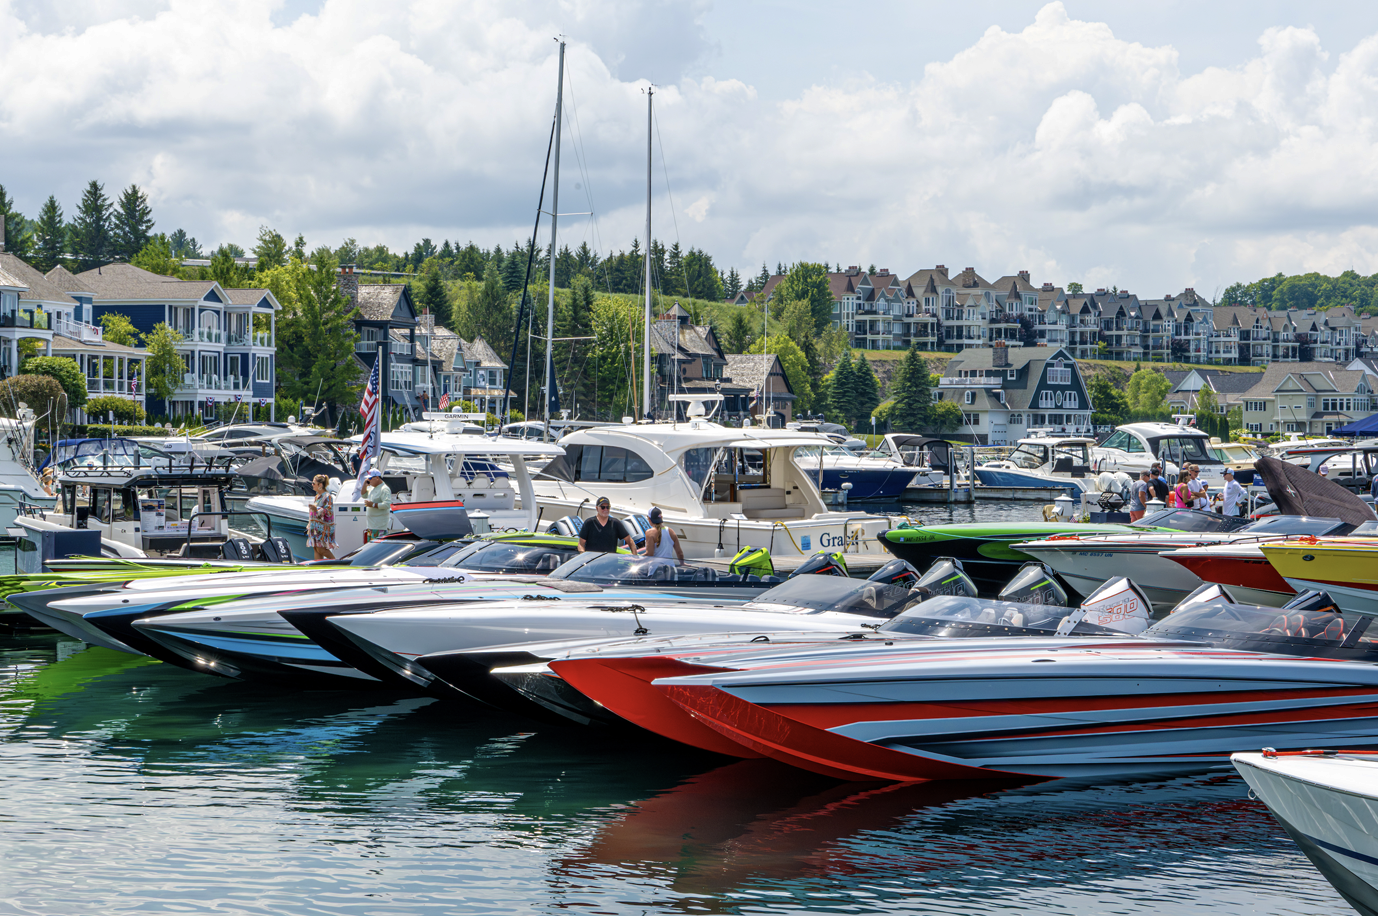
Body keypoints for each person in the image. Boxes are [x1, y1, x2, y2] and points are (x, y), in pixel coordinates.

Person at [306, 474, 337, 560]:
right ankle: (318, 569)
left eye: (313, 483)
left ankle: (336, 563)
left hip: (323, 528)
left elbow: (329, 512)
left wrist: (317, 509)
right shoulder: (317, 497)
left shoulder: (327, 496)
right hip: (315, 527)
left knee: (321, 549)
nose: (312, 485)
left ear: (320, 485)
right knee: (316, 548)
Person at [362, 470, 392, 542]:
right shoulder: (373, 488)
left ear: (377, 478)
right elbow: (363, 495)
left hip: (379, 525)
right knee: (370, 547)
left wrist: (372, 504)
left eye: (370, 478)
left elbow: (387, 504)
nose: (369, 480)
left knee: (378, 547)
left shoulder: (384, 489)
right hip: (371, 525)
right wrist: (364, 484)